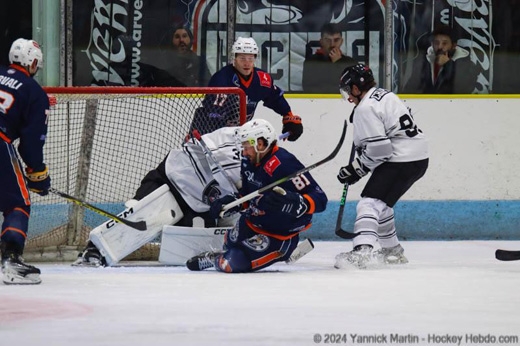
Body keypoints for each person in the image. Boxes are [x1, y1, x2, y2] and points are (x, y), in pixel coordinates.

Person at [73, 126, 242, 267]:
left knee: (193, 246)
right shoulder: (231, 140)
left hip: (197, 202)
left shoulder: (255, 169)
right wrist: (215, 192)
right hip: (174, 176)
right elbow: (197, 145)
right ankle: (94, 250)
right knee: (144, 217)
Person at [186, 118, 328, 272]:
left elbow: (320, 199)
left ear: (260, 144)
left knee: (231, 264)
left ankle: (216, 258)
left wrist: (297, 202)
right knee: (229, 243)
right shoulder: (248, 162)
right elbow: (247, 195)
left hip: (278, 235)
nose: (244, 152)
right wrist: (231, 204)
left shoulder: (284, 163)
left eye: (247, 147)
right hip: (252, 222)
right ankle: (225, 253)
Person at [334, 63, 429, 269]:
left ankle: (362, 251)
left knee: (368, 204)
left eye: (349, 90)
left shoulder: (365, 108)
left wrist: (356, 169)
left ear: (357, 88)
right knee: (381, 206)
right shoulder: (383, 95)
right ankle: (392, 251)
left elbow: (381, 151)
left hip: (401, 158)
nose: (349, 97)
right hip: (418, 157)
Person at [0, 38, 51, 284]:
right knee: (18, 203)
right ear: (33, 63)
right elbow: (30, 144)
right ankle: (11, 259)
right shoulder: (34, 92)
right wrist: (38, 175)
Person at [191, 37, 303, 142]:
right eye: (242, 58)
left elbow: (275, 98)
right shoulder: (222, 79)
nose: (247, 63)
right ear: (234, 58)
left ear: (255, 58)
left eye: (250, 58)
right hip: (212, 132)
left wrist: (288, 115)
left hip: (240, 134)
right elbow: (212, 115)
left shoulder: (262, 79)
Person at [403, 25, 478, 94]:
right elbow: (410, 88)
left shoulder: (466, 65)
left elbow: (464, 88)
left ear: (453, 46)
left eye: (444, 43)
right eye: (436, 43)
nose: (440, 47)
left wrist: (448, 64)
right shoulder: (424, 63)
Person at [302, 23, 357, 93]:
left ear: (341, 41)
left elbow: (352, 88)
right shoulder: (311, 62)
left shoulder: (350, 63)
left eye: (336, 40)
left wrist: (338, 62)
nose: (332, 44)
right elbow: (308, 88)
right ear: (321, 42)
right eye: (328, 40)